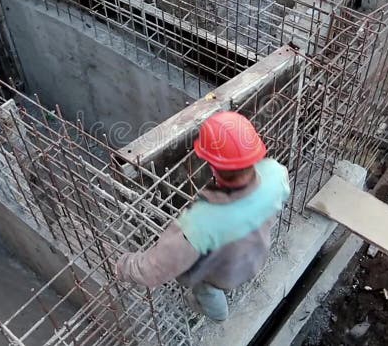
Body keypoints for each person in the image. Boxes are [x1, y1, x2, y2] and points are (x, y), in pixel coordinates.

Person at [115, 111, 291, 321]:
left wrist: (123, 266)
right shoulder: (276, 173)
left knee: (204, 287)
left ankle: (218, 316)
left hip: (223, 273)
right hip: (256, 253)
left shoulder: (202, 223)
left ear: (213, 168)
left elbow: (156, 268)